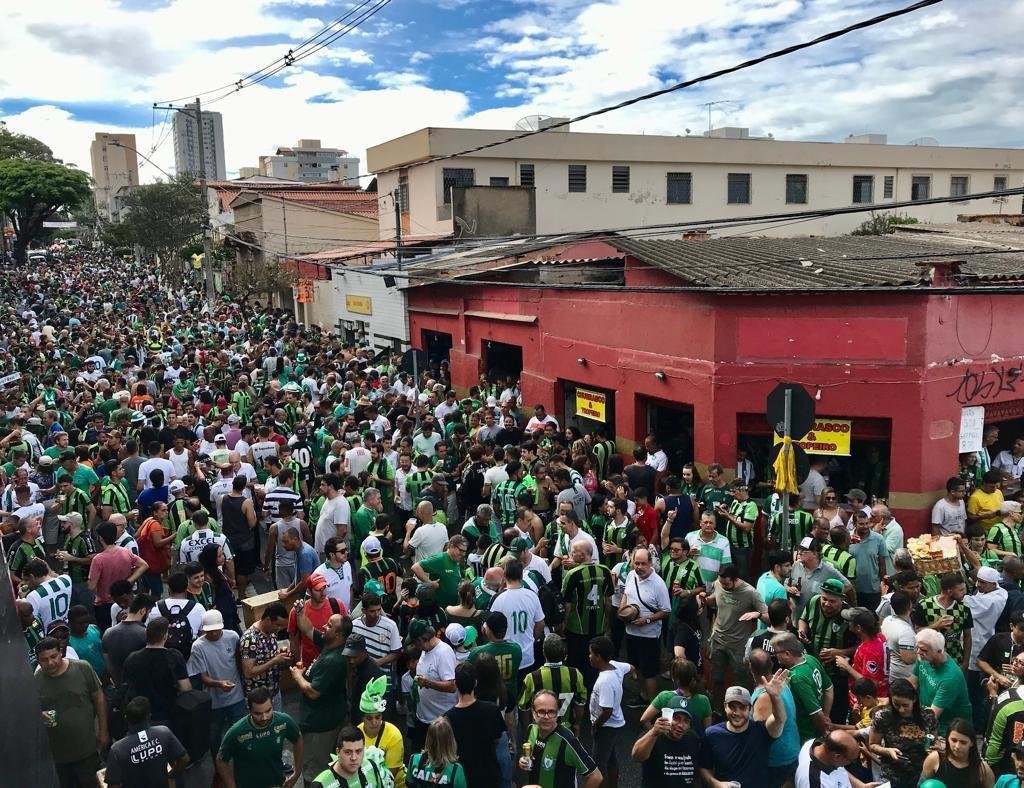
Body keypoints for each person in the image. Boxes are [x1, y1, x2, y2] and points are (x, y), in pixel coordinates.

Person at [34, 636, 108, 788]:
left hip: (87, 748)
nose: (50, 663)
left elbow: (99, 698)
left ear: (61, 652)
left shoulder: (82, 668)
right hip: (59, 755)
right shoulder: (37, 680)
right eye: (44, 660)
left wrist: (103, 731)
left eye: (53, 656)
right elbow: (33, 710)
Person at [290, 612, 350, 787]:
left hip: (320, 727)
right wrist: (300, 611)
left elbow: (313, 692)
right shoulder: (329, 642)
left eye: (330, 625)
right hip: (327, 718)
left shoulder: (332, 660)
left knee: (314, 772)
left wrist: (297, 676)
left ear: (339, 635)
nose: (325, 626)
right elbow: (308, 628)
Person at [699, 673, 790, 788]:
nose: (737, 713)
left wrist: (775, 696)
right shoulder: (712, 734)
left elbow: (780, 719)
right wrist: (716, 784)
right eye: (732, 707)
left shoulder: (761, 731)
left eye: (742, 707)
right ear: (725, 706)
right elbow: (704, 767)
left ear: (750, 709)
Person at [707, 562, 767, 711]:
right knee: (717, 678)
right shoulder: (718, 584)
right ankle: (717, 710)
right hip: (718, 640)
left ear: (735, 579)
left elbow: (768, 616)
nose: (723, 586)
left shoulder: (750, 592)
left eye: (727, 584)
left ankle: (744, 710)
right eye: (721, 583)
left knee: (742, 680)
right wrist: (704, 600)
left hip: (738, 645)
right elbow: (716, 598)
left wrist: (757, 614)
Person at [217, 687, 304, 788]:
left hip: (277, 784)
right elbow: (221, 761)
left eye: (268, 710)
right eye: (258, 713)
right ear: (249, 709)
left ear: (272, 704)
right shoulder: (237, 731)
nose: (264, 717)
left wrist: (297, 772)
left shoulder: (284, 721)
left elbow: (298, 739)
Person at [619, 546, 671, 703]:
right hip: (631, 632)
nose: (639, 567)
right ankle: (642, 696)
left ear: (650, 564)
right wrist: (622, 611)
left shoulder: (658, 584)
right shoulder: (630, 576)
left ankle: (652, 704)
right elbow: (626, 595)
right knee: (637, 667)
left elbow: (666, 611)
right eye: (636, 563)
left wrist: (647, 620)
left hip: (649, 635)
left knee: (649, 671)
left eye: (643, 564)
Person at [187, 609, 245, 750]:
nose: (213, 634)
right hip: (214, 702)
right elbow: (203, 677)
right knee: (215, 739)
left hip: (237, 697)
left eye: (216, 630)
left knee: (240, 736)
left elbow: (240, 663)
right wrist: (219, 684)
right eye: (210, 631)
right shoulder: (198, 647)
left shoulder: (233, 637)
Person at [519, 689, 601, 788]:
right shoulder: (531, 729)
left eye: (551, 712)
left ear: (558, 712)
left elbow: (595, 776)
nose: (546, 717)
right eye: (541, 711)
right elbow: (531, 755)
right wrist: (523, 760)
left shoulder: (567, 740)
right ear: (533, 712)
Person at [104, 696, 190, 788]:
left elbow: (114, 786)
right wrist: (171, 775)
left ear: (126, 718)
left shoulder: (117, 749)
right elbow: (184, 759)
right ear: (149, 716)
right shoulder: (164, 733)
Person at [121, 617, 192, 726]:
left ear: (146, 633)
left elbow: (126, 685)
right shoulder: (174, 656)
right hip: (167, 715)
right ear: (165, 636)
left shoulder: (132, 658)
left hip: (140, 716)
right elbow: (185, 687)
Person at [444, 661, 505, 787]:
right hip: (489, 774)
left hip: (462, 777)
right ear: (475, 683)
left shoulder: (447, 719)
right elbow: (497, 738)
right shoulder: (492, 709)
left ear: (455, 684)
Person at [868, 678, 938, 788]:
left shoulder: (928, 715)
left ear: (914, 699)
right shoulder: (883, 716)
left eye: (905, 705)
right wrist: (887, 750)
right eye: (896, 704)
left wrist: (935, 747)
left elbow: (934, 741)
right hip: (893, 773)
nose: (901, 709)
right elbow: (872, 745)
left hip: (922, 773)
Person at [750, 648, 800, 788]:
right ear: (772, 664)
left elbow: (762, 735)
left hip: (777, 760)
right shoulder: (781, 683)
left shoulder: (764, 696)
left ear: (750, 667)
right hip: (792, 751)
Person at [771, 632, 834, 742]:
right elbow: (829, 688)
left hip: (806, 734)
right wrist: (826, 715)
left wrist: (824, 732)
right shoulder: (810, 659)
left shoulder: (797, 677)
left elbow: (816, 712)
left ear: (787, 653)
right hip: (818, 725)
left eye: (776, 653)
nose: (775, 656)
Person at [588, 635, 632, 786]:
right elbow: (630, 667)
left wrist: (595, 726)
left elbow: (607, 711)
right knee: (611, 759)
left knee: (598, 765)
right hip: (614, 725)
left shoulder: (605, 681)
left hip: (606, 727)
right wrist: (633, 673)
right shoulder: (615, 666)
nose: (590, 657)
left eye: (591, 653)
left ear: (599, 656)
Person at [517, 633, 587, 730]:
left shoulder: (532, 678)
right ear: (563, 652)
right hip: (565, 729)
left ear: (543, 652)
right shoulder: (575, 675)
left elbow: (524, 708)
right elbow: (580, 703)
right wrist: (577, 724)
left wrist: (527, 730)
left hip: (539, 730)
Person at [630, 695, 702, 787]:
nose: (681, 725)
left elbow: (696, 773)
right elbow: (637, 756)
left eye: (686, 721)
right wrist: (653, 733)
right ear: (667, 717)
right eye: (676, 718)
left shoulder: (693, 739)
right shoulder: (653, 736)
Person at [912, 628, 973, 736]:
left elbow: (932, 716)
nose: (919, 652)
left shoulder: (951, 677)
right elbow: (911, 684)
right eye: (918, 648)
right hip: (927, 715)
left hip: (949, 729)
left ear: (939, 651)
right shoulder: (924, 658)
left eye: (924, 650)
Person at [489, 558, 545, 674]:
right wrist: (532, 639)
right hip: (528, 657)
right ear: (521, 575)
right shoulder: (532, 596)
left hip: (505, 659)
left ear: (504, 575)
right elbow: (540, 624)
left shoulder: (498, 598)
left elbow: (488, 628)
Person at [409, 618, 457, 751]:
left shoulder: (443, 653)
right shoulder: (426, 650)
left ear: (422, 640)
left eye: (415, 643)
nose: (414, 646)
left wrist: (428, 683)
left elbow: (451, 686)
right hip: (423, 717)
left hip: (439, 721)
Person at [240, 602, 291, 706]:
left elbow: (265, 656)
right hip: (258, 698)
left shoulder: (271, 632)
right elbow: (248, 672)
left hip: (274, 691)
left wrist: (280, 656)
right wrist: (275, 661)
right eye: (277, 625)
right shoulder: (250, 639)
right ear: (268, 620)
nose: (279, 629)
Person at [358, 677, 406, 788]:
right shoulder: (357, 733)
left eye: (378, 717)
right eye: (369, 718)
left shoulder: (394, 735)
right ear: (362, 718)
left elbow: (390, 776)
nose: (374, 722)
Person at [922, 717, 995, 788]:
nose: (957, 746)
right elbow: (922, 783)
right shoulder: (935, 759)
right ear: (947, 739)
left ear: (972, 743)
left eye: (963, 742)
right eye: (954, 740)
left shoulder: (983, 770)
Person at [102, 593, 152, 685]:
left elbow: (108, 663)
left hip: (119, 686)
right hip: (139, 686)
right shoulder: (145, 634)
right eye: (148, 612)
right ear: (143, 611)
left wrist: (117, 683)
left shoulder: (108, 633)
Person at [794, 730, 873, 788]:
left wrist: (862, 786)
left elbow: (840, 771)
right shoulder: (814, 782)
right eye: (852, 761)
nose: (851, 763)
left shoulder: (818, 745)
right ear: (837, 757)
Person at [406, 717, 466, 788]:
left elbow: (409, 784)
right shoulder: (455, 770)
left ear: (428, 739)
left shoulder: (414, 759)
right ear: (450, 741)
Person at [412, 535, 469, 609]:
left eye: (465, 551)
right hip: (441, 607)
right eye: (461, 550)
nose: (463, 554)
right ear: (452, 546)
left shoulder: (457, 559)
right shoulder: (440, 559)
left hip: (453, 606)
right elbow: (416, 567)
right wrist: (429, 583)